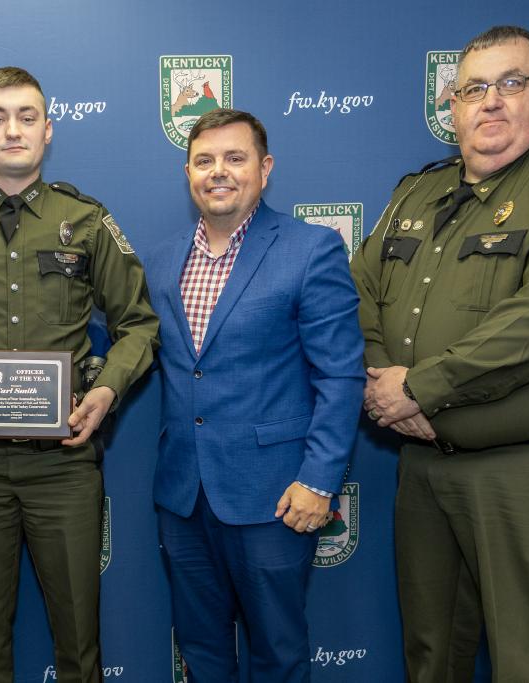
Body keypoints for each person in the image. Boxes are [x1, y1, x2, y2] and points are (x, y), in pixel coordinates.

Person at [351, 25, 529, 682]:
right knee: (431, 659)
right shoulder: (417, 192)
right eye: (474, 88)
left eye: (512, 83)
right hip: (425, 467)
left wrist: (420, 387)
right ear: (451, 106)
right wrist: (385, 384)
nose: (492, 101)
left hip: (527, 473)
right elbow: (360, 287)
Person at [0, 66, 159, 683]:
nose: (12, 130)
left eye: (27, 116)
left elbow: (139, 326)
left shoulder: (87, 221)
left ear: (47, 130)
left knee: (78, 641)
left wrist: (105, 392)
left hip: (63, 465)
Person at [144, 108, 364, 682]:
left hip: (274, 497)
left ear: (264, 169)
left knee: (278, 654)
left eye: (235, 158)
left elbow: (340, 376)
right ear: (187, 170)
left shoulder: (310, 249)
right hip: (182, 496)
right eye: (205, 160)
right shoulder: (162, 260)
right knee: (201, 652)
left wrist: (319, 480)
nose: (219, 171)